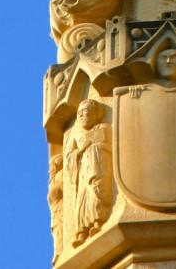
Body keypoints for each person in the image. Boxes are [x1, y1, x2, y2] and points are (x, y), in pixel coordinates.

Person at [65, 99, 112, 246]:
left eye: (85, 112)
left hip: (97, 167)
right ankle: (81, 232)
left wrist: (95, 146)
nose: (81, 116)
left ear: (96, 114)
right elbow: (69, 156)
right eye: (79, 114)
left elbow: (114, 145)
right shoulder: (75, 134)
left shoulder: (104, 127)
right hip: (83, 170)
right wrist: (80, 151)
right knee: (82, 200)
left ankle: (98, 223)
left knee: (97, 192)